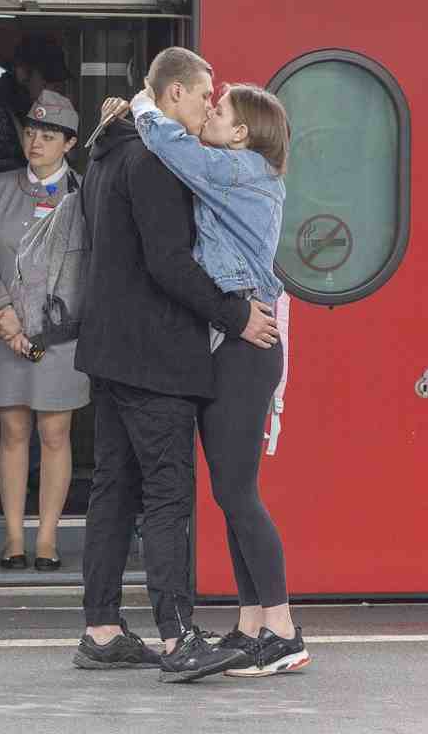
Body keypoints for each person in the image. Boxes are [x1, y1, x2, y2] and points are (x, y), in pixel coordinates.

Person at [72, 47, 279, 682]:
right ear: (174, 96)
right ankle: (178, 636)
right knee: (167, 496)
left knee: (113, 489)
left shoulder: (105, 154)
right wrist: (234, 315)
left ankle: (102, 628)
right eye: (204, 93)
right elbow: (169, 263)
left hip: (106, 350)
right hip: (154, 355)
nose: (209, 104)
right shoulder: (156, 160)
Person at [0, 89, 88, 572]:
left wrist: (43, 329)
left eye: (49, 134)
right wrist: (3, 312)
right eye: (31, 130)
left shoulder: (86, 195)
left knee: (55, 432)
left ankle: (48, 538)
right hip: (5, 331)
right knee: (12, 430)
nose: (35, 139)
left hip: (59, 338)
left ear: (70, 143)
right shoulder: (1, 187)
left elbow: (93, 271)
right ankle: (14, 537)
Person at [0, 35, 70, 495]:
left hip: (28, 255)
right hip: (6, 253)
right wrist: (19, 210)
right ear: (24, 74)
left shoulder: (25, 116)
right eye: (45, 81)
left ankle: (25, 472)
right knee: (2, 363)